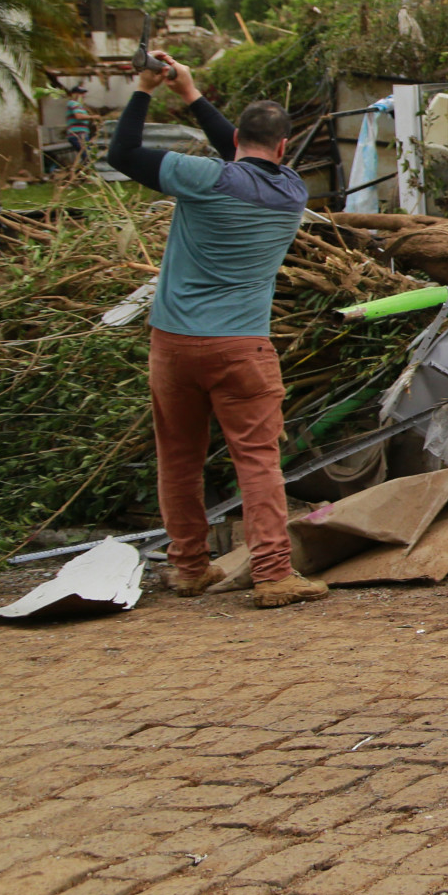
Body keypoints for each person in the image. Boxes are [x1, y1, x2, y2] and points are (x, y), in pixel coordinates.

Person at [105, 52, 328, 609]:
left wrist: (146, 89)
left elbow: (122, 153)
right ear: (282, 148)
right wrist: (193, 94)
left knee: (177, 458)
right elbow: (244, 148)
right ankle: (274, 575)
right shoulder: (291, 192)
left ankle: (189, 568)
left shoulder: (201, 179)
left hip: (173, 345)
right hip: (241, 348)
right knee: (256, 459)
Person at [62, 86, 96, 164]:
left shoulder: (79, 105)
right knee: (88, 157)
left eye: (83, 93)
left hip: (81, 134)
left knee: (87, 156)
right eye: (80, 93)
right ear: (73, 94)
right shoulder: (73, 103)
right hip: (78, 134)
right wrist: (92, 117)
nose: (83, 96)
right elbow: (78, 116)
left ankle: (84, 172)